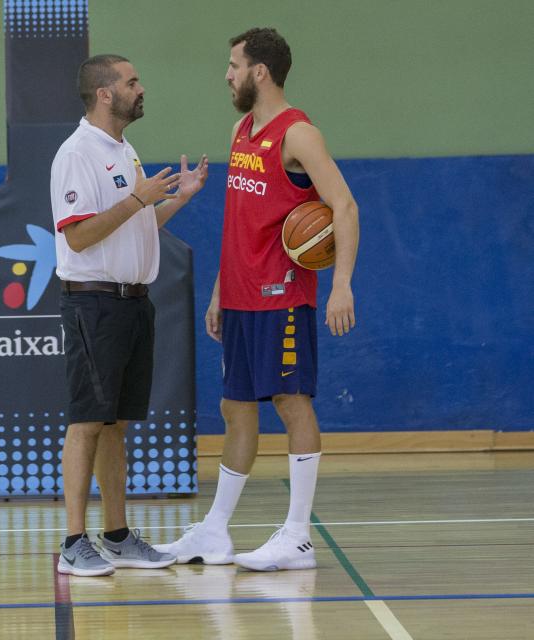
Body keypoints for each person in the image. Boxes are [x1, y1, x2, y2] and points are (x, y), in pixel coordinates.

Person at [154, 28, 359, 571]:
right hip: (242, 296)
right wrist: (222, 289)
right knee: (235, 408)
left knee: (292, 404)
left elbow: (343, 205)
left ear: (260, 72)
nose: (227, 75)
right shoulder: (242, 128)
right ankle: (215, 532)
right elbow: (241, 220)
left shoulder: (299, 134)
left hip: (283, 295)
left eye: (233, 65)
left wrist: (341, 284)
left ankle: (297, 537)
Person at [50, 54, 209, 577]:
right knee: (86, 423)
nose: (142, 88)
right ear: (104, 94)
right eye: (132, 81)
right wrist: (137, 198)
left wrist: (175, 200)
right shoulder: (77, 153)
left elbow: (136, 224)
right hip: (94, 302)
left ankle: (116, 535)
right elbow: (78, 234)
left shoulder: (124, 149)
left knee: (115, 424)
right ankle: (74, 542)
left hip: (133, 301)